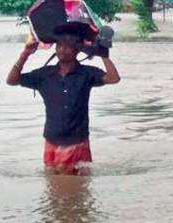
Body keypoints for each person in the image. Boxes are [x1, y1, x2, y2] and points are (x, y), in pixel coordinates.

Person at [6, 23, 121, 174]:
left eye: (67, 46)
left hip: (78, 141)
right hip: (52, 140)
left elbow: (114, 78)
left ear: (77, 51)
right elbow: (11, 80)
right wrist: (25, 53)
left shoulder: (87, 74)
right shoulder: (44, 75)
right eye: (59, 45)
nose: (61, 49)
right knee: (52, 189)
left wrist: (104, 54)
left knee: (80, 188)